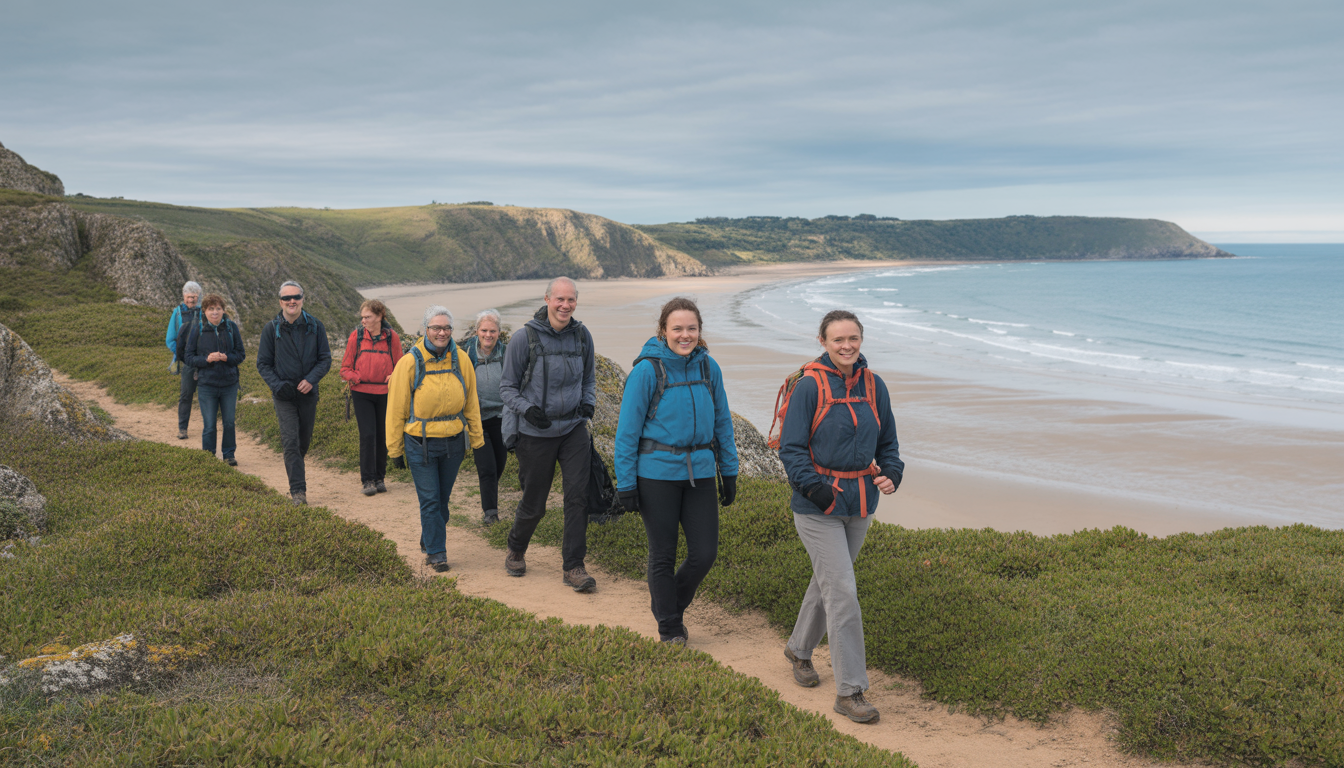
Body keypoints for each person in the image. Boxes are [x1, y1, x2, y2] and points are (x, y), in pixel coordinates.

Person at [778, 309, 903, 724]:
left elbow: (888, 444)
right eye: (838, 340)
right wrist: (816, 491)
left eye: (853, 339)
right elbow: (791, 449)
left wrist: (893, 474)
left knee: (828, 583)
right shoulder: (809, 386)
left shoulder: (875, 385)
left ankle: (798, 649)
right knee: (843, 593)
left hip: (862, 504)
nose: (846, 346)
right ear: (823, 341)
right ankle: (850, 692)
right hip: (817, 508)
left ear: (861, 340)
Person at [614, 297, 739, 645]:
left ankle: (668, 606)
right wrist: (626, 484)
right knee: (663, 555)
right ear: (663, 331)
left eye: (692, 329)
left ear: (700, 331)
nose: (685, 336)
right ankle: (669, 628)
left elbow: (723, 422)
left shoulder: (707, 367)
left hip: (699, 472)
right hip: (655, 474)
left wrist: (729, 471)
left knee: (704, 554)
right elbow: (627, 432)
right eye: (678, 329)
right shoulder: (647, 371)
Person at [499, 276, 599, 592]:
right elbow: (507, 388)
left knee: (578, 497)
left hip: (572, 430)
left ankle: (574, 566)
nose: (565, 305)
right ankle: (516, 547)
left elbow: (589, 380)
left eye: (570, 300)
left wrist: (588, 403)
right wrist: (527, 409)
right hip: (535, 432)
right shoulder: (523, 338)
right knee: (535, 501)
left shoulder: (582, 336)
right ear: (547, 299)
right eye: (560, 299)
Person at [386, 306, 484, 572]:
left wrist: (477, 439)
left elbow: (472, 401)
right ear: (425, 330)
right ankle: (437, 553)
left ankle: (429, 538)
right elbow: (396, 408)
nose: (442, 333)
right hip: (420, 444)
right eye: (436, 328)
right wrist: (394, 449)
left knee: (442, 501)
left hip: (454, 442)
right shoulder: (409, 362)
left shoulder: (461, 359)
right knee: (430, 500)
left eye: (446, 328)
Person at [256, 280, 332, 506]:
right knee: (290, 441)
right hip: (284, 395)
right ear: (280, 302)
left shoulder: (316, 326)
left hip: (309, 393)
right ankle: (298, 492)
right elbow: (263, 364)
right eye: (287, 298)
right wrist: (278, 385)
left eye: (296, 297)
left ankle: (295, 467)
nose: (292, 301)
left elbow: (325, 359)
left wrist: (311, 380)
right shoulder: (271, 329)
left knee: (303, 442)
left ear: (302, 299)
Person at [340, 299, 403, 496]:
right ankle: (367, 480)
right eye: (363, 317)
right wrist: (355, 377)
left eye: (368, 317)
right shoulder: (356, 336)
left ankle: (380, 478)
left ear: (379, 316)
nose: (364, 321)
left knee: (382, 436)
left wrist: (394, 376)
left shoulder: (392, 337)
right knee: (367, 435)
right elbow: (344, 368)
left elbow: (401, 366)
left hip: (385, 393)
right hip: (361, 393)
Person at [184, 294, 245, 467]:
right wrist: (206, 360)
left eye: (218, 308)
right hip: (206, 385)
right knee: (209, 424)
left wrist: (227, 358)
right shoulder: (198, 329)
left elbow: (241, 354)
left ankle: (229, 455)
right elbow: (188, 357)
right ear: (205, 311)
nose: (215, 312)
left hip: (229, 384)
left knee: (229, 422)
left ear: (223, 310)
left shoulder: (231, 328)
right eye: (211, 309)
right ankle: (209, 458)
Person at [461, 309, 508, 525]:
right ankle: (491, 513)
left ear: (499, 332)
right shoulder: (466, 354)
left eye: (493, 331)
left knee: (499, 465)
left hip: (501, 418)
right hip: (476, 420)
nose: (488, 335)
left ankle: (488, 495)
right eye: (484, 330)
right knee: (487, 468)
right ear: (477, 331)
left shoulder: (507, 353)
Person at [165, 280, 203, 440]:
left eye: (194, 297)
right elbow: (170, 339)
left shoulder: (205, 311)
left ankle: (209, 428)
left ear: (199, 296)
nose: (191, 300)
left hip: (204, 361)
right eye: (188, 296)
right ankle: (182, 429)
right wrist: (182, 354)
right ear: (183, 296)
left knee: (207, 395)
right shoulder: (177, 313)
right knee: (186, 395)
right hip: (188, 362)